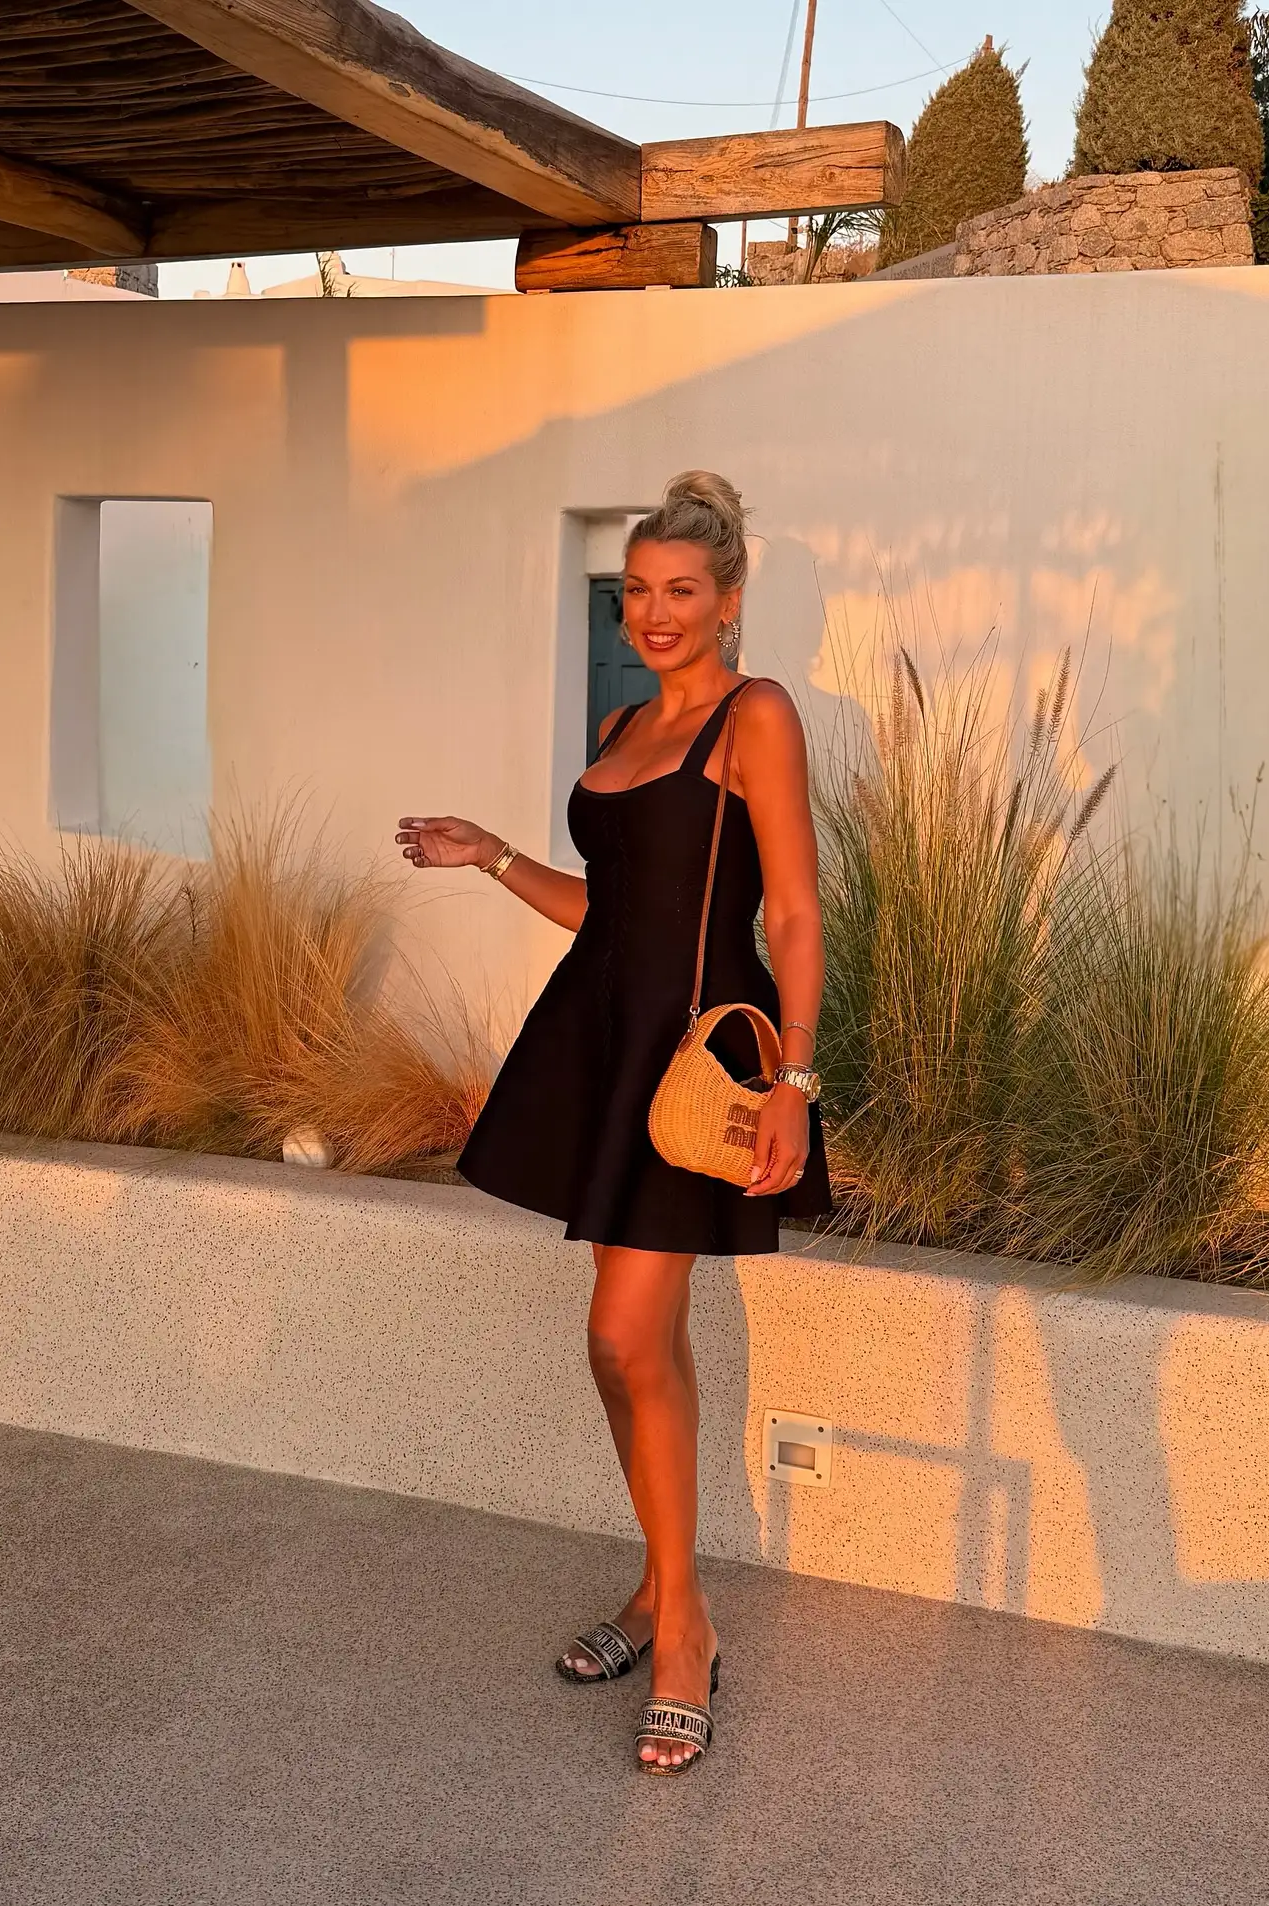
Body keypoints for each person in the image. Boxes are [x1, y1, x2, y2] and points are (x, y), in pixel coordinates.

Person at [395, 470, 831, 1776]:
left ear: (729, 599)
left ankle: (685, 1629)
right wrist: (491, 856)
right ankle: (659, 1582)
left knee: (623, 1333)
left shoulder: (756, 715)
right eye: (636, 590)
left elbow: (791, 911)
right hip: (601, 1045)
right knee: (632, 1346)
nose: (655, 611)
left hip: (693, 1062)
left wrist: (796, 1081)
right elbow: (615, 910)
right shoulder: (621, 719)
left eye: (681, 590)